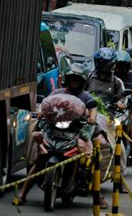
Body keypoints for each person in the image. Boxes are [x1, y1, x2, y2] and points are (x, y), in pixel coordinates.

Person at [16, 63, 100, 206]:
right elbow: (45, 105)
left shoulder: (86, 97)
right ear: (67, 80)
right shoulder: (57, 93)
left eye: (77, 80)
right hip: (53, 130)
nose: (74, 82)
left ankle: (80, 184)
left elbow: (93, 109)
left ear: (82, 82)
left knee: (81, 158)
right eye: (72, 79)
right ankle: (22, 193)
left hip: (73, 132)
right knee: (39, 160)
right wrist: (41, 113)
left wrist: (91, 117)